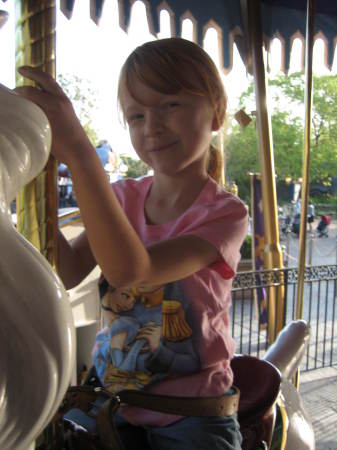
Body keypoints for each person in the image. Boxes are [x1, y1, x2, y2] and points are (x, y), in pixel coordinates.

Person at [16, 37, 248, 450]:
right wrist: (35, 196)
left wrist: (80, 153)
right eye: (136, 115)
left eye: (171, 105)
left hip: (192, 416)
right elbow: (69, 270)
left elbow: (130, 270)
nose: (152, 127)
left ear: (216, 113)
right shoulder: (123, 198)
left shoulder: (224, 214)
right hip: (110, 401)